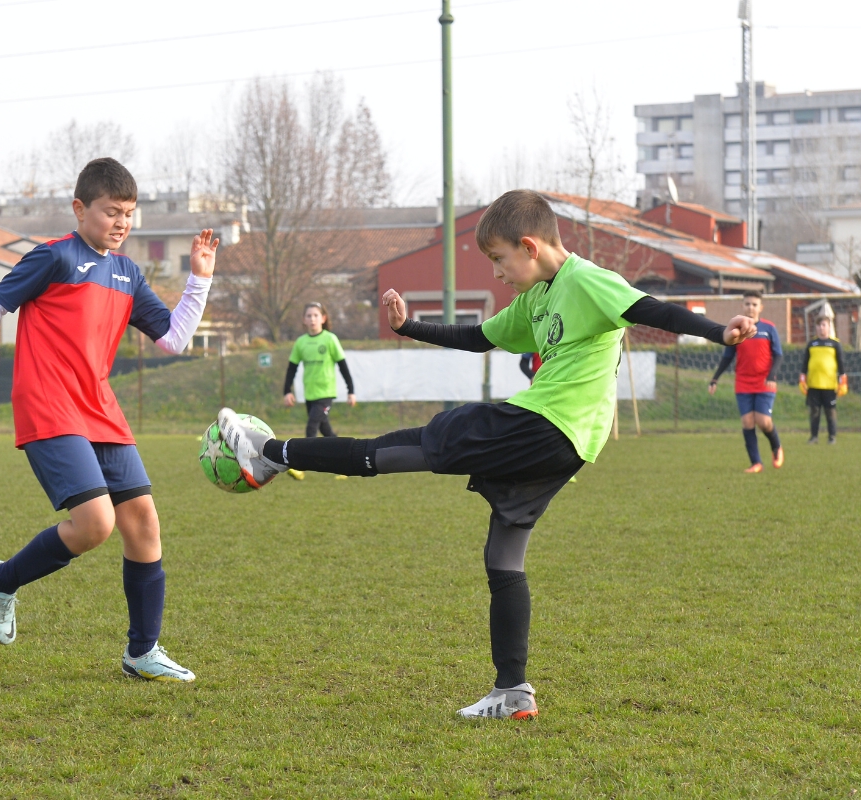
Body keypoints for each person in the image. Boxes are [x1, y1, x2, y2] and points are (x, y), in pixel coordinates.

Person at [215, 190, 756, 720]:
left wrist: (718, 331)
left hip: (545, 424)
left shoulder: (586, 280)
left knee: (411, 443)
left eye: (499, 260)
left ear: (529, 245)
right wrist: (410, 327)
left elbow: (651, 309)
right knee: (503, 557)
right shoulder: (536, 298)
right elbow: (479, 337)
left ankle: (269, 452)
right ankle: (513, 691)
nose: (496, 273)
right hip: (564, 445)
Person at [0, 158, 217, 682]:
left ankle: (141, 652)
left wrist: (200, 280)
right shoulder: (54, 257)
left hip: (100, 408)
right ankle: (1, 581)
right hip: (50, 404)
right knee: (96, 524)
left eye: (129, 214)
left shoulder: (128, 272)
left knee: (143, 523)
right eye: (110, 212)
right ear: (80, 209)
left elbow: (173, 339)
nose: (121, 223)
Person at [708, 290, 785, 473]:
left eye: (754, 304)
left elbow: (779, 355)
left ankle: (776, 447)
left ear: (761, 307)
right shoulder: (737, 331)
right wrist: (715, 379)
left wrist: (772, 375)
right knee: (747, 422)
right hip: (743, 382)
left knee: (763, 421)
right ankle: (756, 463)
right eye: (747, 304)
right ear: (742, 306)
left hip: (764, 382)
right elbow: (727, 357)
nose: (751, 307)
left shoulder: (769, 328)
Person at [283, 302, 356, 437]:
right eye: (309, 316)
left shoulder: (330, 339)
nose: (312, 319)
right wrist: (287, 391)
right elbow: (291, 368)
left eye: (316, 315)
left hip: (325, 393)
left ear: (323, 318)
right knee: (325, 430)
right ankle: (342, 454)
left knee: (311, 427)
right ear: (304, 320)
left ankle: (307, 457)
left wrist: (351, 391)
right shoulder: (301, 342)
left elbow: (343, 366)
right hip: (310, 393)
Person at [800, 315, 847, 444]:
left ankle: (832, 437)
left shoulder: (835, 344)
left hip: (830, 385)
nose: (821, 328)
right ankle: (814, 437)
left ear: (829, 327)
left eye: (824, 325)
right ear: (815, 327)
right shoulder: (811, 344)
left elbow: (841, 365)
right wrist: (802, 380)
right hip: (814, 384)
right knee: (814, 412)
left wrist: (843, 382)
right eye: (819, 325)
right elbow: (804, 364)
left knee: (830, 411)